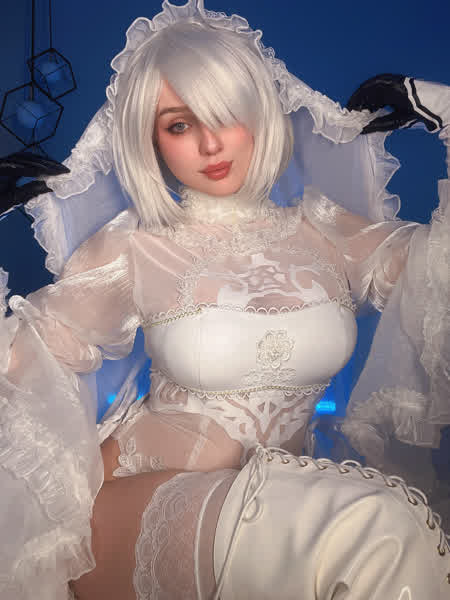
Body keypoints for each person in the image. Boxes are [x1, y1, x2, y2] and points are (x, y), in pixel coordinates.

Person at [0, 1, 449, 598]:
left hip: (287, 507)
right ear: (150, 140)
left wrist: (445, 111)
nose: (210, 143)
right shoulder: (135, 245)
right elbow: (21, 363)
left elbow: (437, 275)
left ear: (260, 114)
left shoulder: (324, 230)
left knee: (387, 539)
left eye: (227, 115)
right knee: (377, 528)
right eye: (178, 126)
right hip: (137, 502)